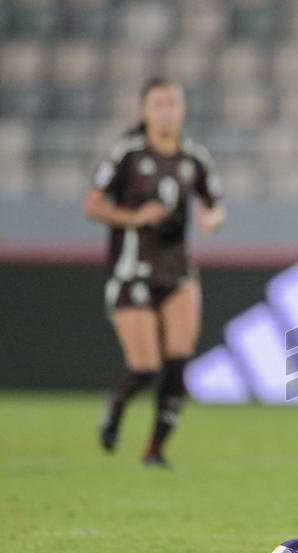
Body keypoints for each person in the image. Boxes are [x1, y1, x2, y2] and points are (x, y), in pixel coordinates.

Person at [83, 76, 226, 467]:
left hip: (178, 270)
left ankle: (155, 450)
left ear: (182, 110)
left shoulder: (194, 158)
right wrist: (132, 216)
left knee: (179, 361)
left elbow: (214, 204)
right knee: (145, 368)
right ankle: (117, 403)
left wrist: (212, 219)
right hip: (133, 271)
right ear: (145, 111)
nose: (166, 112)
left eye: (172, 104)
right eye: (158, 105)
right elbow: (93, 204)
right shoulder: (127, 154)